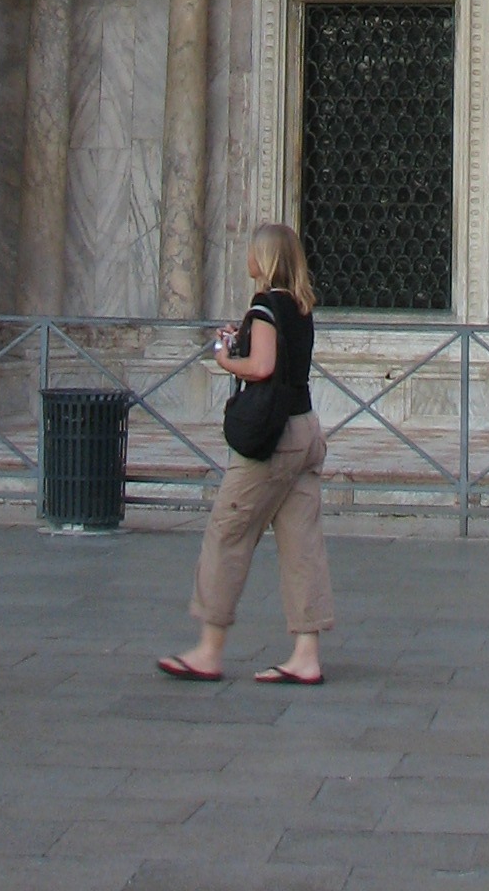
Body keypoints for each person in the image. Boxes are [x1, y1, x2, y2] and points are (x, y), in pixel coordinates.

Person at [158, 223, 335, 685]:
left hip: (272, 439)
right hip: (306, 429)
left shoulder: (265, 304)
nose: (247, 257)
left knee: (228, 531)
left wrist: (224, 358)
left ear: (266, 258)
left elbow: (261, 367)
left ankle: (209, 649)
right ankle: (306, 653)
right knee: (302, 545)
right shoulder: (300, 306)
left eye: (252, 251)